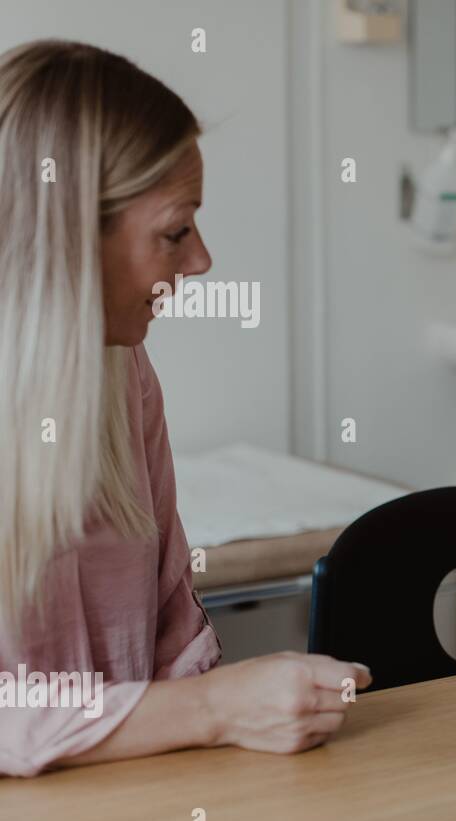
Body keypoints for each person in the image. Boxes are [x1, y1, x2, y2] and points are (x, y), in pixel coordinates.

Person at [0, 41, 370, 778]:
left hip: (144, 797)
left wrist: (247, 709)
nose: (201, 261)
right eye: (175, 231)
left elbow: (173, 615)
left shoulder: (122, 370)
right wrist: (214, 711)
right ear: (69, 240)